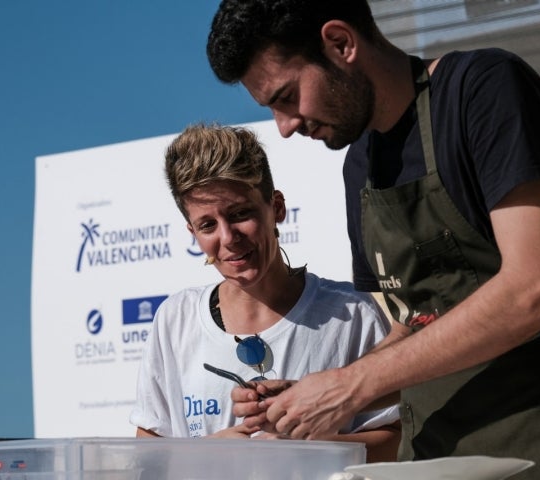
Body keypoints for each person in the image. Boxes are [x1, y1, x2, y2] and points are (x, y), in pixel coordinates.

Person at [206, 0, 540, 477]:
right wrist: (312, 395)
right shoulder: (360, 167)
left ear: (340, 43)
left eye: (287, 96)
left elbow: (535, 289)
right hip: (431, 463)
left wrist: (351, 386)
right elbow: (419, 324)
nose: (285, 126)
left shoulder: (484, 91)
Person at [128, 123, 400, 462]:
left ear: (277, 208)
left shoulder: (352, 314)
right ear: (193, 232)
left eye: (240, 214)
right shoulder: (175, 319)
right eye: (208, 225)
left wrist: (306, 449)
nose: (228, 238)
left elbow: (395, 441)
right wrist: (208, 453)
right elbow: (146, 455)